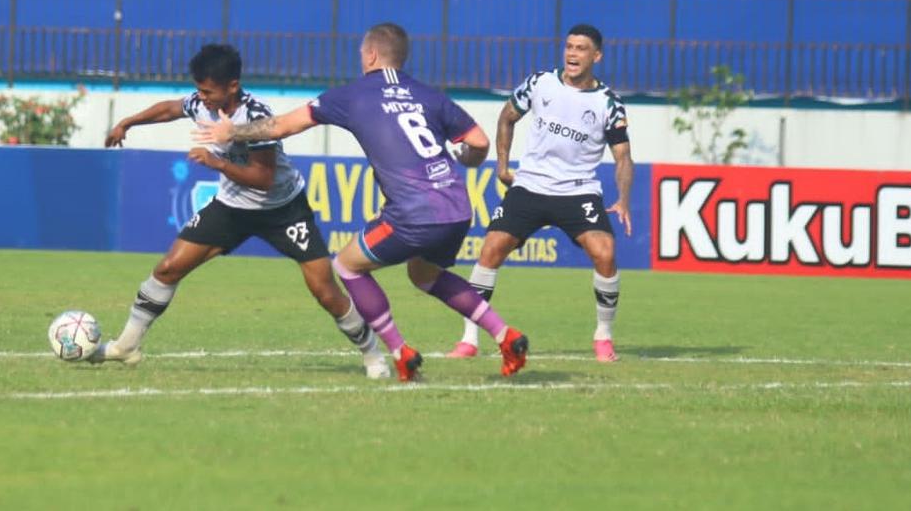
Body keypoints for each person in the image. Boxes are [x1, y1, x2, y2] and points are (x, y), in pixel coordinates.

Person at [195, 22, 529, 382]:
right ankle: (505, 335)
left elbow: (279, 127)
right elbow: (478, 143)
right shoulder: (430, 95)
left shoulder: (351, 95)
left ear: (370, 55)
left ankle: (401, 353)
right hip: (457, 209)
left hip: (414, 213)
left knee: (347, 266)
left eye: (361, 54)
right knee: (424, 275)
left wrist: (233, 132)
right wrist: (465, 159)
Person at [91, 43, 391, 379]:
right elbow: (169, 109)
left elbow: (262, 179)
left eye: (208, 91)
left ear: (232, 86)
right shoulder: (201, 104)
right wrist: (128, 122)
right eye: (198, 90)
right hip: (231, 208)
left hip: (283, 211)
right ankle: (126, 346)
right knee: (168, 269)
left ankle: (373, 355)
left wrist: (215, 162)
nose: (201, 97)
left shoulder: (256, 117)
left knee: (325, 291)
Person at [447, 24, 634, 363]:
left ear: (596, 56)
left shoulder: (609, 104)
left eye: (581, 48)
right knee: (491, 249)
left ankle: (603, 336)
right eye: (569, 47)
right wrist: (502, 166)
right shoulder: (539, 83)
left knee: (605, 253)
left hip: (577, 190)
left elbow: (623, 156)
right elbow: (506, 117)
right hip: (530, 185)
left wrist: (623, 198)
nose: (572, 54)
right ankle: (469, 339)